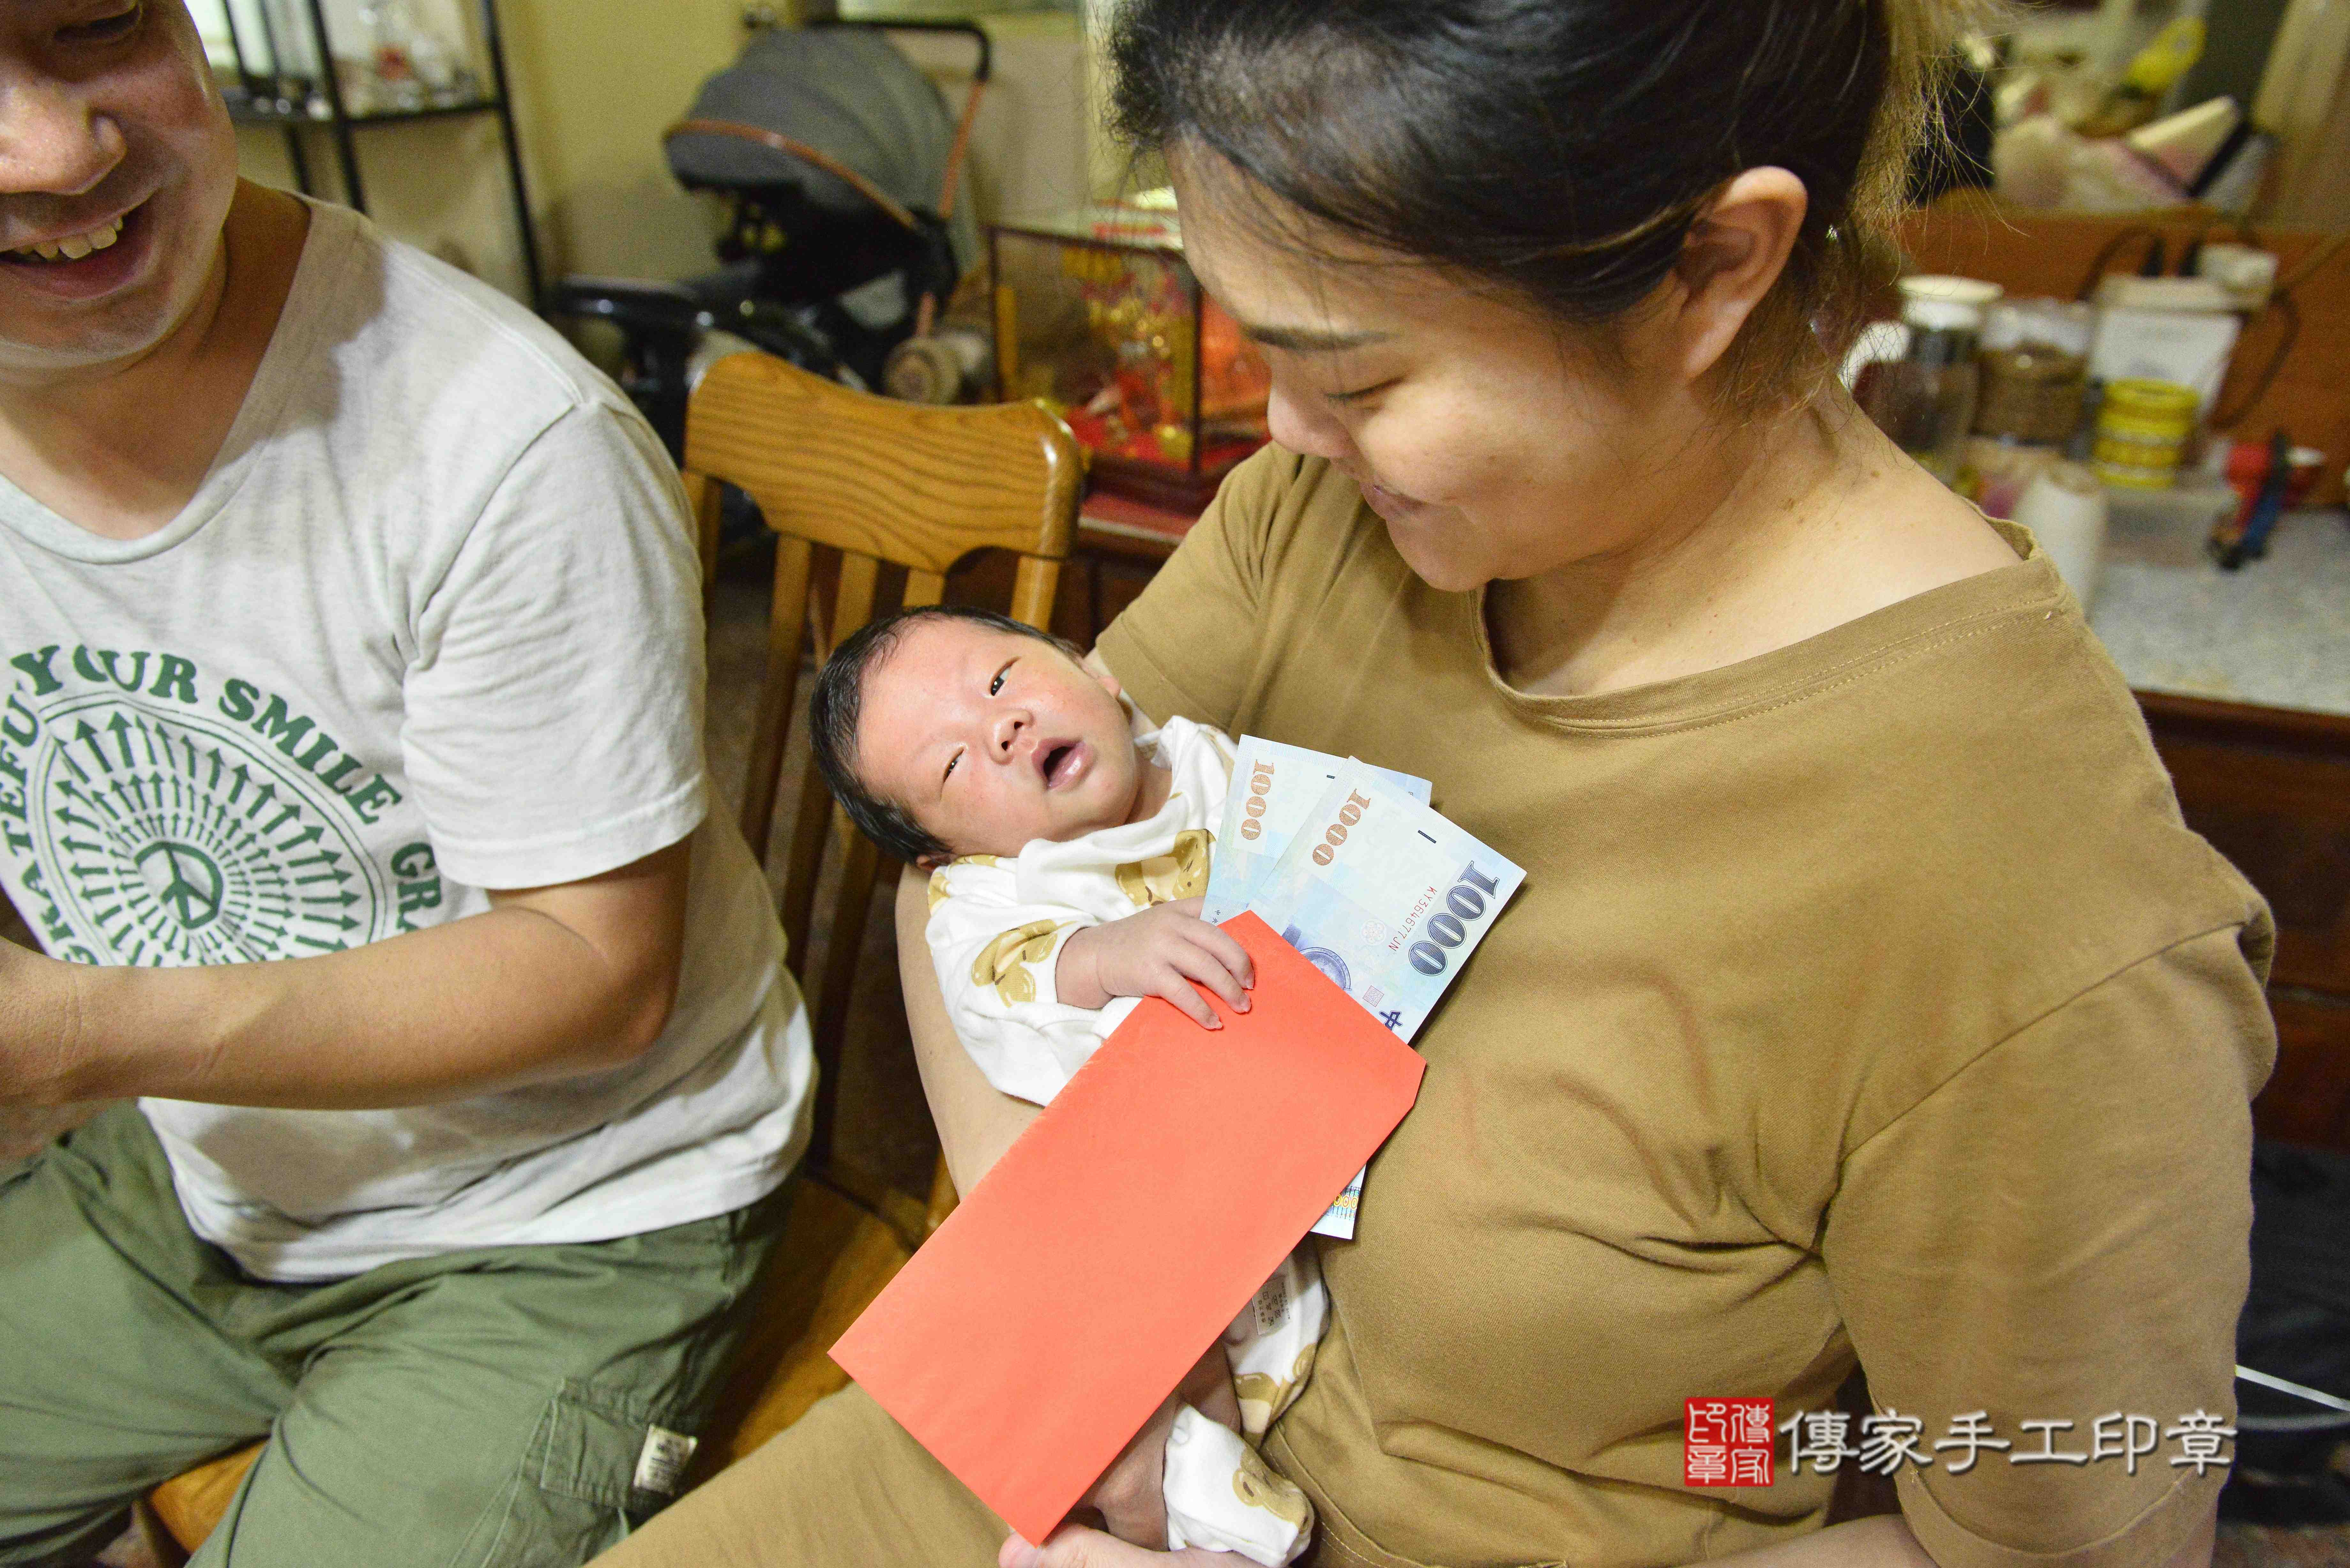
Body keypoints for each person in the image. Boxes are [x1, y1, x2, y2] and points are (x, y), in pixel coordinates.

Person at [595, 1, 2275, 1565]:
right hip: (1060, 1426)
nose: (1289, 431)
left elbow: (2033, 1519)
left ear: (1715, 266)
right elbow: (959, 879)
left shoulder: (2023, 905)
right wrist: (1098, 1345)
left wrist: (1713, 1454)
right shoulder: (1318, 528)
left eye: (1357, 375)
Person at [0, 4, 811, 1564]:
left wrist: (87, 1036)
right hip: (198, 1165)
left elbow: (597, 970)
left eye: (102, 24)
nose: (61, 149)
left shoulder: (505, 441)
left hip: (561, 1212)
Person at [809, 603, 1322, 1566]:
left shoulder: (1212, 766)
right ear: (943, 855)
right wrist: (1099, 956)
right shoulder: (990, 893)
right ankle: (1197, 1512)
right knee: (1088, 1344)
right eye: (954, 765)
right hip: (1134, 1194)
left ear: (1100, 675)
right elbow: (997, 981)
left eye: (1003, 681)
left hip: (1275, 1132)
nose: (998, 727)